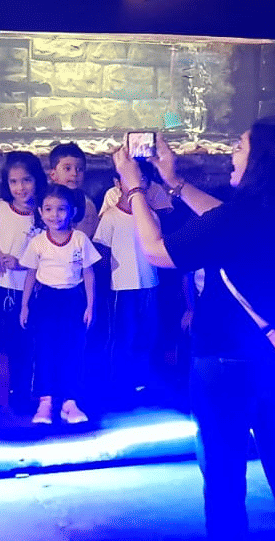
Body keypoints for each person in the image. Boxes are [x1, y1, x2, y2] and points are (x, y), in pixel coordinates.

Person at [112, 117, 275, 541]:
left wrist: (134, 189)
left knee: (225, 478)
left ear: (260, 161)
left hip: (224, 359)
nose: (232, 154)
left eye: (240, 147)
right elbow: (228, 222)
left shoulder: (238, 219)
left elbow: (157, 251)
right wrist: (173, 182)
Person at [19, 184, 100, 425]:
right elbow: (30, 274)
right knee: (45, 350)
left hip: (73, 300)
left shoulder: (80, 240)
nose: (55, 215)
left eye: (61, 209)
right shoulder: (38, 242)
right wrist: (24, 306)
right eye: (49, 209)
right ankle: (46, 401)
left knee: (73, 349)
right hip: (45, 302)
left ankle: (69, 401)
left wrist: (90, 305)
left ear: (73, 211)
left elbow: (89, 273)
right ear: (41, 212)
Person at [0, 151, 46, 412]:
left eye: (26, 180)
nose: (20, 188)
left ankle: (21, 394)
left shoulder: (45, 213)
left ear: (37, 180)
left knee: (21, 343)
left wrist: (22, 264)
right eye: (14, 182)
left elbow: (48, 253)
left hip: (25, 290)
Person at [93, 159, 161, 408]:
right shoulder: (110, 217)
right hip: (120, 287)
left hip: (149, 285)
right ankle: (119, 384)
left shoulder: (151, 215)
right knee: (123, 335)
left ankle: (141, 382)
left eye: (142, 178)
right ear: (117, 183)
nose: (136, 183)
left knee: (147, 332)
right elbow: (101, 252)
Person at [47, 142, 98, 239]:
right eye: (67, 168)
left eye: (79, 169)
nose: (74, 173)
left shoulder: (88, 206)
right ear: (53, 175)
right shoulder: (45, 202)